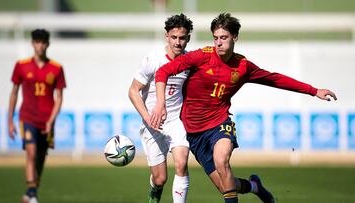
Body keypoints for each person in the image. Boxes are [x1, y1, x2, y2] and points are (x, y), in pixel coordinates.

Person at [152, 13, 337, 203]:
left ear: (235, 37)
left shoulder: (243, 66)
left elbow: (274, 79)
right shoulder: (200, 56)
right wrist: (160, 104)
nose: (219, 43)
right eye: (216, 38)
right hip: (194, 132)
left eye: (223, 38)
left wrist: (314, 91)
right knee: (226, 184)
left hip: (219, 123)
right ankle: (254, 186)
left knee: (221, 159)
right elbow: (163, 71)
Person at [128, 13, 193, 203]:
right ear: (167, 36)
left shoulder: (190, 61)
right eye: (174, 37)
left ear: (188, 37)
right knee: (160, 179)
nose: (178, 42)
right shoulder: (153, 59)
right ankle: (155, 191)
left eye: (182, 38)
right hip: (153, 124)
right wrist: (148, 118)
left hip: (176, 122)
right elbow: (133, 91)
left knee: (181, 163)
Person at [8, 29, 66, 203]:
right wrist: (9, 120)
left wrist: (51, 120)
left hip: (47, 121)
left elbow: (59, 98)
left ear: (48, 44)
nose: (40, 45)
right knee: (31, 152)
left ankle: (30, 191)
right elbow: (14, 93)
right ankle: (32, 193)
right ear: (32, 43)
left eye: (43, 42)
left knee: (41, 156)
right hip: (28, 117)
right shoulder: (21, 65)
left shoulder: (56, 68)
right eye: (37, 41)